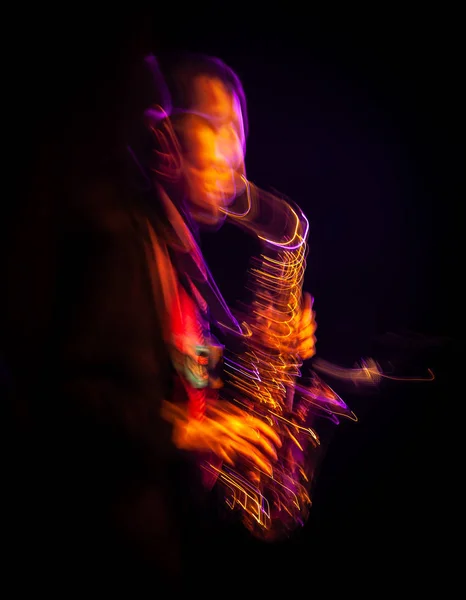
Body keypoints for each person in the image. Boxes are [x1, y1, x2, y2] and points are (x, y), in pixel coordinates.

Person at [3, 35, 317, 590]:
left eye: (240, 135)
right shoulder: (117, 231)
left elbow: (184, 378)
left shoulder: (178, 252)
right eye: (219, 127)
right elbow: (59, 399)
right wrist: (188, 433)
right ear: (161, 130)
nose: (236, 157)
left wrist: (261, 353)